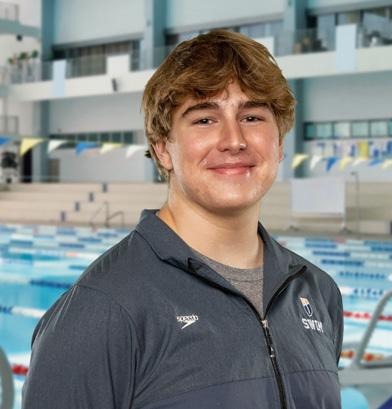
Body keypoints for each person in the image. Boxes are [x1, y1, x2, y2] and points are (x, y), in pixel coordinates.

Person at [22, 30, 343, 409]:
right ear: (162, 149)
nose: (234, 139)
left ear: (280, 144)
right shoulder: (102, 311)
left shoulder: (317, 293)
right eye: (205, 119)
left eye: (252, 116)